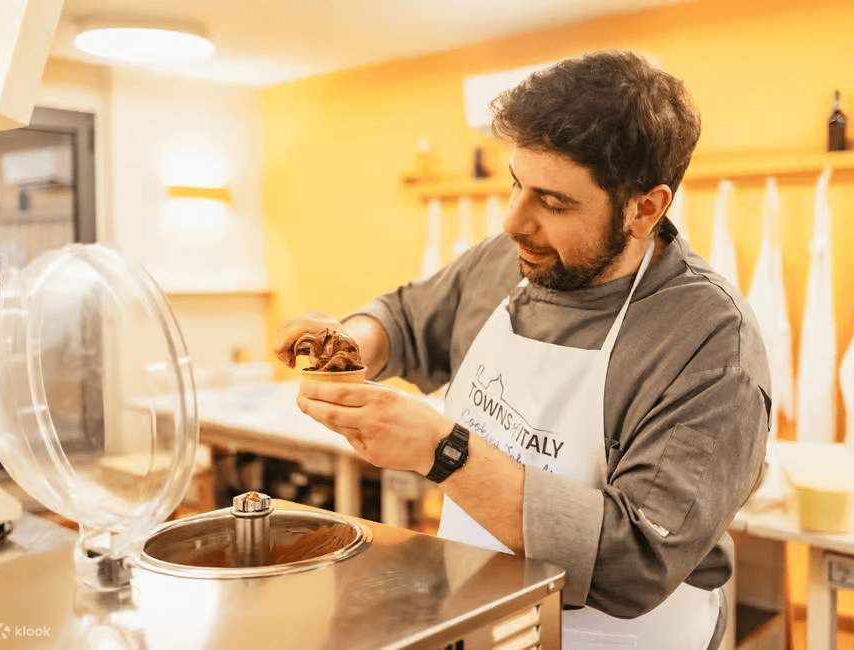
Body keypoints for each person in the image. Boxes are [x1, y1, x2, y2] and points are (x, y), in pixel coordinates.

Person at [275, 50, 770, 649]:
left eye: (555, 203)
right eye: (516, 185)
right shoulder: (506, 262)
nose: (514, 221)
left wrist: (443, 451)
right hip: (486, 607)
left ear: (645, 208)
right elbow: (403, 319)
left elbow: (632, 563)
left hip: (621, 636)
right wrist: (344, 343)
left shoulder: (712, 343)